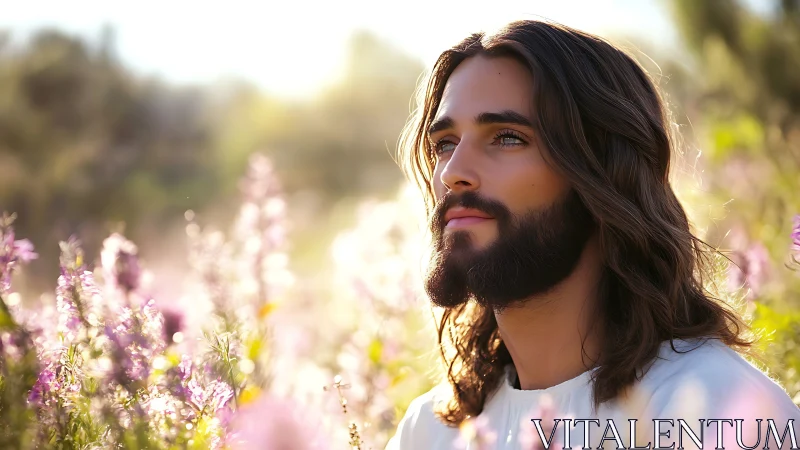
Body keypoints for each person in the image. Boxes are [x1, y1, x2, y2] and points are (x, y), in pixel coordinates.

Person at [386, 19, 800, 450]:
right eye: (445, 144)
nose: (453, 174)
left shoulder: (715, 412)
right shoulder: (431, 431)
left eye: (507, 138)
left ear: (601, 177)